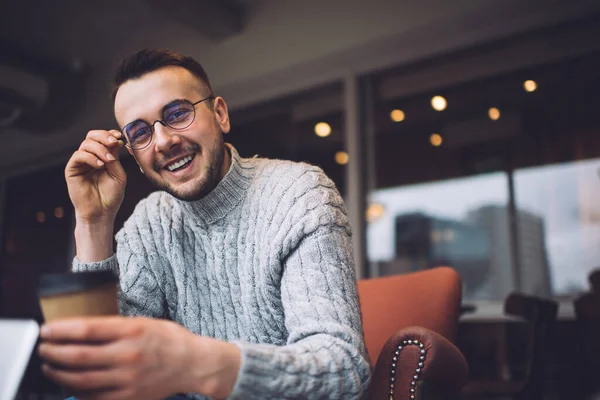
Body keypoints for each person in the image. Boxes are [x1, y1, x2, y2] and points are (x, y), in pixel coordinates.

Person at [37, 48, 371, 400]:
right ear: (133, 154)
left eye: (178, 113)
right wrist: (94, 222)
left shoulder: (298, 194)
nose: (164, 141)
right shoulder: (149, 225)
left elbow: (343, 369)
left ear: (220, 115)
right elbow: (101, 373)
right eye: (140, 133)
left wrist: (198, 363)